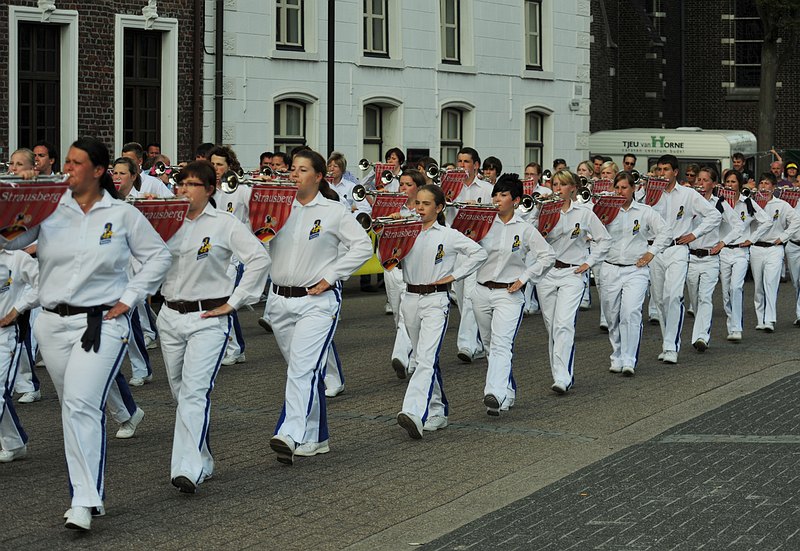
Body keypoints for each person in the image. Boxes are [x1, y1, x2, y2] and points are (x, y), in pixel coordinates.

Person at [2, 137, 171, 531]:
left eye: (76, 163)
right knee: (73, 408)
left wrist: (130, 297)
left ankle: (84, 499)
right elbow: (8, 238)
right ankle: (88, 493)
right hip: (51, 323)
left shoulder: (123, 215)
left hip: (101, 324)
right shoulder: (48, 209)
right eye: (66, 162)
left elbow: (158, 255)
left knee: (80, 404)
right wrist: (19, 194)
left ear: (98, 171)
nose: (67, 168)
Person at [157, 161, 269, 493]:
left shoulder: (224, 224)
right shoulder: (166, 222)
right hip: (169, 316)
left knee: (194, 392)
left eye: (193, 184)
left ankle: (186, 468)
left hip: (208, 319)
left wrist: (234, 302)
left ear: (209, 189)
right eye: (181, 183)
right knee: (180, 392)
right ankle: (203, 457)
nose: (184, 190)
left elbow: (259, 259)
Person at [266, 149, 372, 465]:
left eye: (301, 170)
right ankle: (317, 436)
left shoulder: (334, 211)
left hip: (317, 302)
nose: (294, 174)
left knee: (303, 369)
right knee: (303, 371)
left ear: (318, 176)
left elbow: (363, 246)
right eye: (292, 169)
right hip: (279, 300)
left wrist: (331, 276)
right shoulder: (277, 207)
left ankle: (291, 432)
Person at [393, 184, 487, 438]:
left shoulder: (448, 234)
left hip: (436, 300)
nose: (420, 208)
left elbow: (478, 253)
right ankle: (438, 409)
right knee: (424, 358)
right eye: (417, 203)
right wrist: (389, 231)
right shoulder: (406, 231)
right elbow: (388, 257)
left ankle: (413, 411)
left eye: (426, 204)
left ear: (439, 207)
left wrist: (454, 276)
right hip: (410, 297)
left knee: (424, 357)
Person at [473, 174, 554, 414]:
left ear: (516, 200)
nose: (497, 199)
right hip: (480, 290)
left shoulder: (525, 229)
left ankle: (494, 393)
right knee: (489, 345)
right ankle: (507, 391)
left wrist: (525, 278)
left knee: (501, 344)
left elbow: (547, 255)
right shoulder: (483, 224)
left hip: (508, 293)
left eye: (504, 195)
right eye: (495, 194)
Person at [535, 170, 610, 393]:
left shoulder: (584, 212)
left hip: (572, 273)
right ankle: (559, 372)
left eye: (562, 185)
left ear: (573, 189)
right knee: (552, 327)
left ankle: (563, 377)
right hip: (547, 274)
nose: (557, 189)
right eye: (554, 184)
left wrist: (589, 262)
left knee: (564, 324)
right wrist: (539, 213)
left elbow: (604, 239)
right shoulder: (542, 210)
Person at [647, 154, 721, 364]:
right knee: (660, 299)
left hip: (677, 249)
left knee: (674, 296)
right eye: (659, 170)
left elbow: (714, 216)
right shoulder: (649, 193)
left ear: (675, 172)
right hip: (654, 250)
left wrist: (694, 234)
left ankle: (672, 346)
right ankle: (666, 342)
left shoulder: (688, 194)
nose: (662, 174)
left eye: (666, 170)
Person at [599, 171, 669, 376]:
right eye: (617, 187)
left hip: (635, 270)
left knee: (630, 312)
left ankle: (629, 359)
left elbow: (665, 232)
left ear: (634, 189)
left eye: (625, 187)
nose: (620, 191)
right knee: (612, 315)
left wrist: (651, 253)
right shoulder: (606, 209)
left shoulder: (645, 211)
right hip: (609, 267)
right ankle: (617, 354)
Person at [684, 167, 742, 352]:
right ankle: (699, 330)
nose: (700, 183)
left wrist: (723, 243)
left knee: (705, 297)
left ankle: (701, 336)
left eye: (705, 180)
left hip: (710, 257)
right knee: (693, 297)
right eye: (698, 179)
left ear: (714, 184)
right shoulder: (688, 201)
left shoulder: (720, 204)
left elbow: (738, 226)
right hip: (691, 257)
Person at [208, 145, 251, 365]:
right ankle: (231, 345)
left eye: (220, 164)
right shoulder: (208, 191)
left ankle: (235, 348)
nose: (215, 168)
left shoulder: (241, 190)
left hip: (234, 256)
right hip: (212, 254)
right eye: (213, 164)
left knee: (226, 299)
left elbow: (256, 217)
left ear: (229, 166)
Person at [450, 147, 494, 362]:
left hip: (476, 248)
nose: (462, 165)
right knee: (460, 296)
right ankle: (475, 340)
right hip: (455, 249)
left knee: (469, 296)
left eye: (466, 161)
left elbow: (493, 216)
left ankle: (466, 345)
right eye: (459, 161)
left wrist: (476, 208)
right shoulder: (450, 188)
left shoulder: (486, 189)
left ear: (476, 165)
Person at [718, 169, 769, 341]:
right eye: (728, 182)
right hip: (724, 251)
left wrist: (752, 239)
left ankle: (737, 328)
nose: (730, 185)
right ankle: (731, 324)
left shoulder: (747, 203)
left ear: (739, 183)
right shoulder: (720, 203)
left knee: (736, 287)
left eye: (733, 182)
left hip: (741, 251)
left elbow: (766, 220)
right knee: (725, 293)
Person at [0, 246, 38, 462]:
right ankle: (14, 442)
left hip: (5, 333)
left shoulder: (18, 258)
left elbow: (44, 285)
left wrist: (18, 308)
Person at [750, 172, 800, 332]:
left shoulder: (782, 204)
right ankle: (760, 319)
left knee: (770, 283)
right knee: (758, 286)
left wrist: (784, 237)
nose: (763, 187)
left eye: (767, 184)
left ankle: (770, 319)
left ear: (773, 187)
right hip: (756, 248)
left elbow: (796, 221)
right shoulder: (752, 203)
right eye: (761, 183)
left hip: (774, 248)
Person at [386, 169, 424, 379]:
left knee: (405, 317)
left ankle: (401, 356)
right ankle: (413, 356)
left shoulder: (423, 210)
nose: (403, 188)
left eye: (408, 184)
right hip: (392, 268)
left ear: (418, 187)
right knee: (397, 314)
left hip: (413, 271)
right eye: (401, 184)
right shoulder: (392, 207)